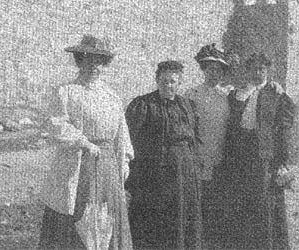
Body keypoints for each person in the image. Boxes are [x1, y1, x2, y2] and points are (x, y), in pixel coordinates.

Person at [37, 35, 134, 250]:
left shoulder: (111, 96)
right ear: (80, 61)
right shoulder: (67, 91)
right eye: (88, 60)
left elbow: (121, 130)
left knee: (105, 219)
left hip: (107, 167)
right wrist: (84, 142)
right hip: (78, 163)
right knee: (78, 217)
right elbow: (56, 125)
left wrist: (125, 159)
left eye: (99, 62)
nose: (94, 66)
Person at [216, 53, 296, 250]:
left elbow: (283, 131)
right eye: (254, 68)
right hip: (240, 155)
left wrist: (282, 163)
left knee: (263, 204)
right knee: (241, 202)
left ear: (267, 71)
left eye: (261, 69)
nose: (257, 72)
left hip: (263, 156)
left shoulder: (277, 94)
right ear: (248, 70)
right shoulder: (238, 93)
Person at [125, 60, 203, 249]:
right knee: (157, 222)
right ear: (157, 80)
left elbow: (195, 139)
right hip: (155, 176)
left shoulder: (187, 106)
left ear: (179, 83)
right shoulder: (143, 105)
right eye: (164, 81)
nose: (169, 85)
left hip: (184, 175)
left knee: (182, 219)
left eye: (173, 82)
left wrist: (195, 167)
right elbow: (131, 140)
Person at [184, 43, 239, 248]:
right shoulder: (191, 95)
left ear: (223, 73)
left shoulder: (228, 95)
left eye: (218, 70)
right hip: (198, 157)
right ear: (203, 70)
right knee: (197, 206)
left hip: (221, 158)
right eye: (210, 69)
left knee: (217, 208)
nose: (213, 73)